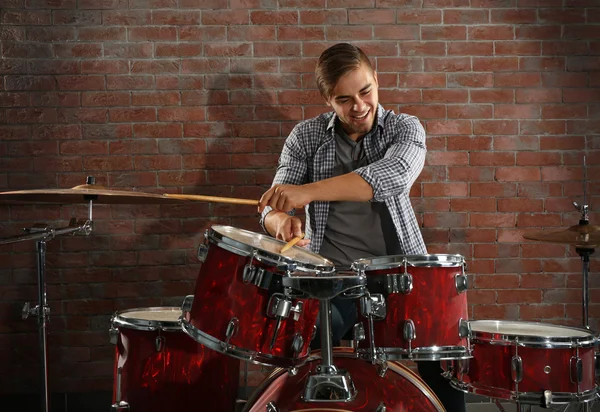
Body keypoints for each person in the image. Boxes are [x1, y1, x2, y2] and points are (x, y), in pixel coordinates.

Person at [257, 43, 465, 412]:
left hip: (400, 275)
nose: (359, 105)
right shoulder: (305, 137)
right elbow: (274, 203)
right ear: (327, 101)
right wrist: (280, 221)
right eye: (344, 99)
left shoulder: (405, 128)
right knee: (308, 345)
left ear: (376, 81)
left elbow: (392, 178)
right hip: (331, 278)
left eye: (365, 91)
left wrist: (304, 193)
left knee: (444, 358)